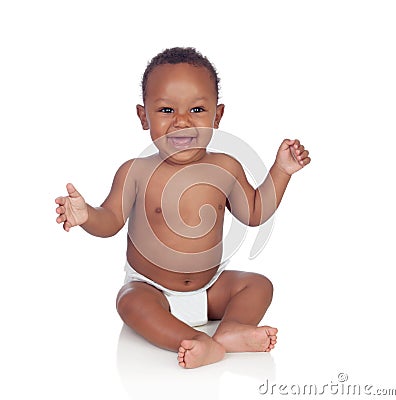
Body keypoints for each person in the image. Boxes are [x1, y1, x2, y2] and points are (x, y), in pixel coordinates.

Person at [55, 47, 311, 369]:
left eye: (197, 109)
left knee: (258, 285)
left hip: (210, 287)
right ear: (143, 115)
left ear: (216, 117)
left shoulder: (226, 167)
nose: (181, 122)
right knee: (129, 301)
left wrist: (281, 171)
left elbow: (255, 212)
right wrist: (87, 215)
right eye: (165, 110)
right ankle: (199, 342)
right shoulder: (136, 171)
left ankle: (231, 330)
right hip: (153, 290)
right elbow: (110, 221)